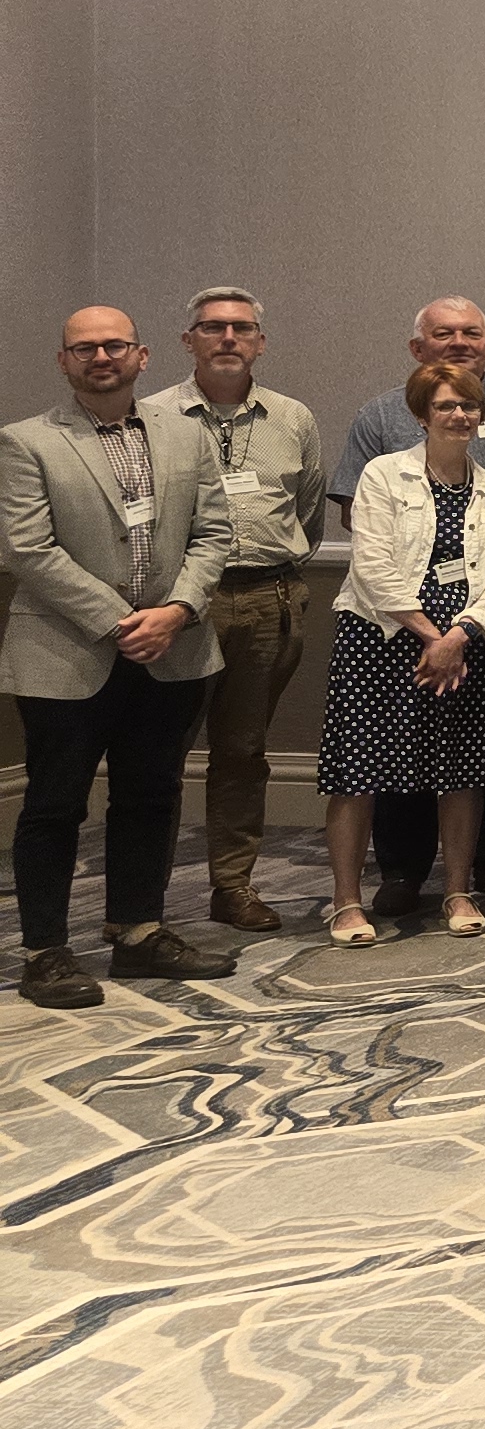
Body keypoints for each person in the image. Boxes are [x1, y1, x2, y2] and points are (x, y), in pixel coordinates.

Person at [6, 307, 240, 1007]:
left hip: (173, 648)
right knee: (54, 805)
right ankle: (46, 950)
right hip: (66, 653)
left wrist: (175, 612)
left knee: (151, 794)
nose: (100, 356)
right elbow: (26, 547)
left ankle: (138, 933)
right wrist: (118, 622)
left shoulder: (187, 436)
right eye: (84, 348)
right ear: (64, 361)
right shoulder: (25, 443)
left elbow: (215, 533)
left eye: (113, 345)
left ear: (141, 356)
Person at [146, 286, 326, 934]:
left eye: (241, 328)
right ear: (187, 340)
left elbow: (305, 510)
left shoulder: (292, 419)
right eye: (212, 327)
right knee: (157, 751)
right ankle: (142, 897)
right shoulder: (151, 415)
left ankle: (233, 885)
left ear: (260, 342)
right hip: (178, 607)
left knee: (243, 751)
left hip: (264, 598)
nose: (228, 337)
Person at [317, 362, 485, 946]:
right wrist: (433, 636)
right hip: (379, 641)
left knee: (462, 769)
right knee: (357, 774)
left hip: (466, 645)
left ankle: (457, 890)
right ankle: (346, 902)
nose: (459, 416)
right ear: (421, 414)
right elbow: (371, 564)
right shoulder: (383, 475)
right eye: (446, 406)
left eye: (468, 406)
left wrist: (461, 636)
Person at [330, 297, 485, 501]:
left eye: (472, 333)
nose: (459, 343)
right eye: (443, 334)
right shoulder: (379, 416)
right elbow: (356, 509)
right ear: (417, 349)